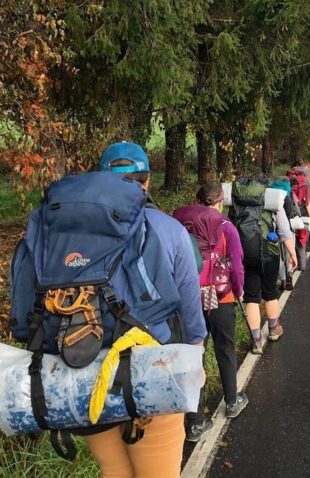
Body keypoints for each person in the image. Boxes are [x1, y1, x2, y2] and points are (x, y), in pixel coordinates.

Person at [83, 142, 207, 478]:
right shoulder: (170, 231)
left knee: (114, 472)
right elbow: (190, 310)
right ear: (147, 181)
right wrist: (195, 360)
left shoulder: (74, 232)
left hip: (87, 371)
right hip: (155, 369)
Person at [173, 183, 248, 442]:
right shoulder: (225, 226)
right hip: (221, 296)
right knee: (224, 348)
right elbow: (237, 266)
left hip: (188, 298)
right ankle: (232, 400)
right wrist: (239, 291)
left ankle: (194, 422)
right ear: (220, 201)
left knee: (194, 354)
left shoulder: (179, 222)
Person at [230, 175, 298, 354]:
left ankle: (256, 340)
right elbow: (284, 230)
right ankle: (274, 329)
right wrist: (293, 254)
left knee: (251, 296)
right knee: (270, 291)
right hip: (270, 250)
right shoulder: (272, 199)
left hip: (245, 251)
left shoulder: (238, 200)